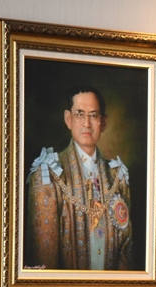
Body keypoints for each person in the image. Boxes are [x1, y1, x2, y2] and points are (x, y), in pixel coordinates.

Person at [25, 85, 133, 270]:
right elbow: (44, 263)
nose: (86, 124)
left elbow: (126, 254)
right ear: (69, 119)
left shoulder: (117, 178)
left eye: (93, 116)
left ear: (103, 122)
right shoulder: (47, 176)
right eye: (80, 114)